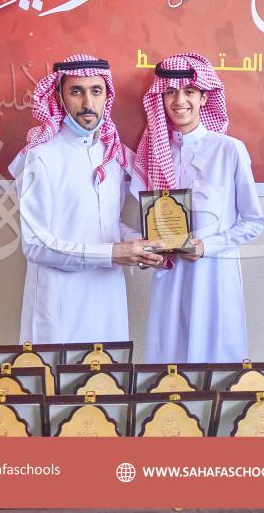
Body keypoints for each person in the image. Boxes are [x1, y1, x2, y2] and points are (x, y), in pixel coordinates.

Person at [8, 54, 163, 344]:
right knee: (57, 373)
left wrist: (141, 244)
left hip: (108, 297)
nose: (87, 103)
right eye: (76, 91)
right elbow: (36, 244)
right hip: (60, 301)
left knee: (109, 371)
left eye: (96, 91)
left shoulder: (113, 155)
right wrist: (112, 253)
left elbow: (104, 224)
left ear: (107, 97)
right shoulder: (40, 157)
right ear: (60, 97)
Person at [133, 52, 264, 363]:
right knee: (169, 370)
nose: (180, 101)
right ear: (161, 98)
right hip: (170, 281)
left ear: (204, 97)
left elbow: (253, 221)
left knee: (217, 369)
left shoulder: (229, 150)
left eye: (189, 91)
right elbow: (144, 222)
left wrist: (207, 247)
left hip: (215, 279)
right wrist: (145, 253)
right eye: (170, 92)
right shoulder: (151, 153)